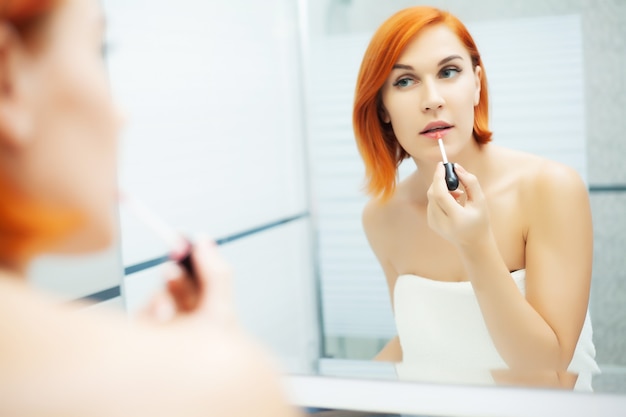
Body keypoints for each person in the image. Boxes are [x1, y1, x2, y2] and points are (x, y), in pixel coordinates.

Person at [0, 0, 297, 415]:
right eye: (99, 50)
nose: (120, 117)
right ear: (8, 80)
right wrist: (200, 377)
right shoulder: (216, 385)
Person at [353, 6, 598, 390]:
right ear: (382, 107)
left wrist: (476, 245)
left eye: (448, 72)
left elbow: (547, 372)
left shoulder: (552, 189)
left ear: (477, 84)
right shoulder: (381, 217)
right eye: (404, 81)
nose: (432, 100)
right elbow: (418, 341)